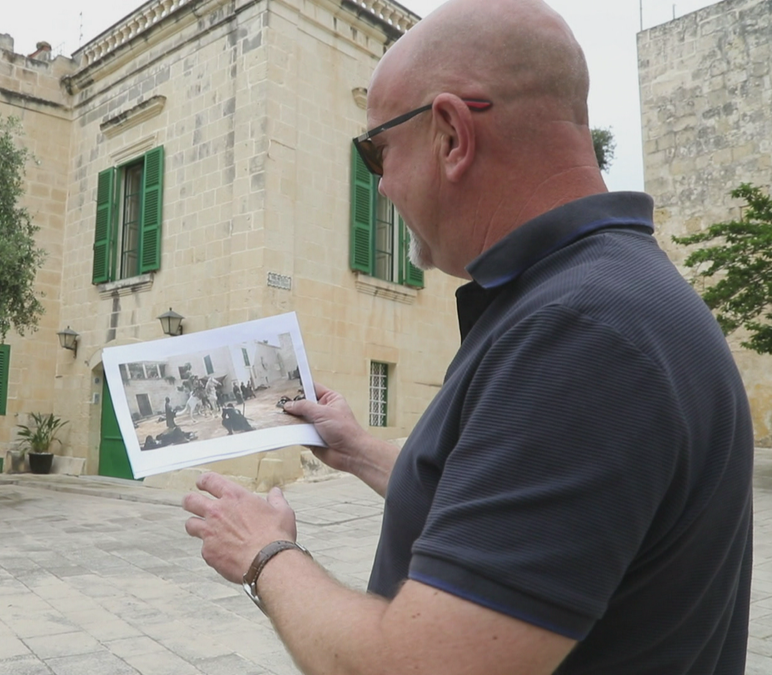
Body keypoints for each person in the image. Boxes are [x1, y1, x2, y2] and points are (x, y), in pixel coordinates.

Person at [181, 1, 753, 673]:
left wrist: (263, 553)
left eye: (376, 150)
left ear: (451, 134)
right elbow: (513, 515)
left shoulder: (579, 334)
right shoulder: (604, 295)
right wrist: (360, 448)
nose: (383, 183)